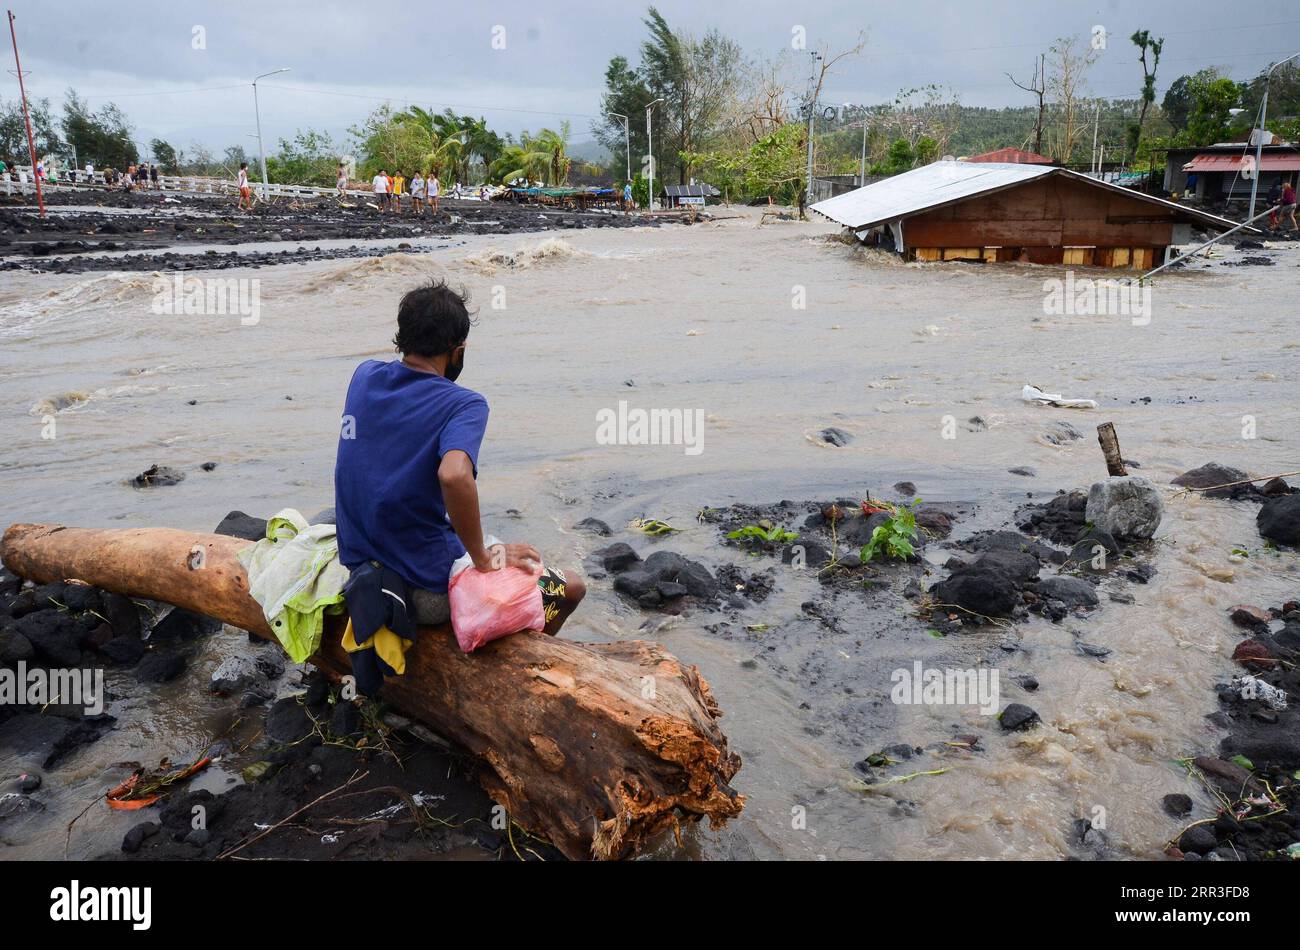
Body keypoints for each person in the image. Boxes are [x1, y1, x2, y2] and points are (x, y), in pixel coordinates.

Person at [334, 280, 586, 638]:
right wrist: (483, 556)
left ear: (402, 338)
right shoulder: (463, 404)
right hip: (424, 587)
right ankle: (526, 662)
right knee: (571, 588)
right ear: (458, 350)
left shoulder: (364, 376)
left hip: (362, 567)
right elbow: (454, 476)